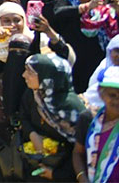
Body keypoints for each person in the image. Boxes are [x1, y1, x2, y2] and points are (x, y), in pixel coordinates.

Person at [21, 53, 87, 181]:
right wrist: (32, 134)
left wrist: (56, 174)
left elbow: (80, 151)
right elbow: (23, 116)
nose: (24, 75)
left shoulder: (71, 109)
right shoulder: (35, 94)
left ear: (47, 77)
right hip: (36, 167)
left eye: (30, 72)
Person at [73, 66, 119, 183]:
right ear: (101, 94)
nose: (117, 101)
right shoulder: (89, 119)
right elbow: (78, 152)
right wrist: (82, 178)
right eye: (112, 95)